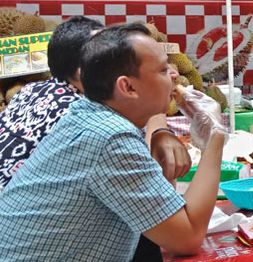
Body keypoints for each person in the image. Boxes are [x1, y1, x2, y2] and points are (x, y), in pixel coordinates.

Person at [0, 24, 227, 260]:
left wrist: (160, 132)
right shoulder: (111, 138)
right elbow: (187, 238)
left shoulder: (88, 114)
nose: (174, 75)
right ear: (127, 87)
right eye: (162, 70)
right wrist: (215, 137)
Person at [0, 16, 189, 189]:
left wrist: (159, 130)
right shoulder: (83, 117)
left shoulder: (33, 90)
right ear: (86, 69)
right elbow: (148, 180)